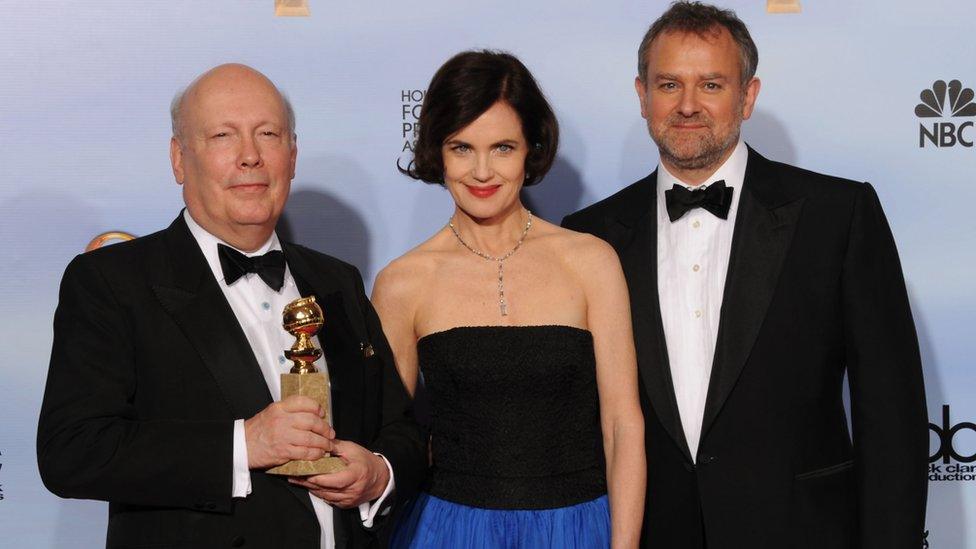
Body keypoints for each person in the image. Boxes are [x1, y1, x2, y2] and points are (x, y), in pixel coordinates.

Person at [563, 3, 929, 548]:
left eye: (711, 84)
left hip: (802, 533)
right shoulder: (589, 236)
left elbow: (892, 415)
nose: (688, 105)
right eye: (669, 84)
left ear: (748, 96)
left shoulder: (838, 215)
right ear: (641, 96)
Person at [37, 64, 426, 549]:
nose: (250, 157)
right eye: (223, 135)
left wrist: (378, 474)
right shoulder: (112, 282)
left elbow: (401, 429)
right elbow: (72, 452)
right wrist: (244, 445)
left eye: (268, 134)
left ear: (293, 154)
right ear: (180, 159)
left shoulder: (337, 280)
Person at [372, 50, 645, 548]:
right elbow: (394, 438)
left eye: (502, 147)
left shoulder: (590, 261)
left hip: (576, 528)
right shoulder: (402, 282)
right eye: (461, 148)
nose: (481, 172)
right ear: (437, 151)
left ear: (531, 149)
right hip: (448, 531)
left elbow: (622, 424)